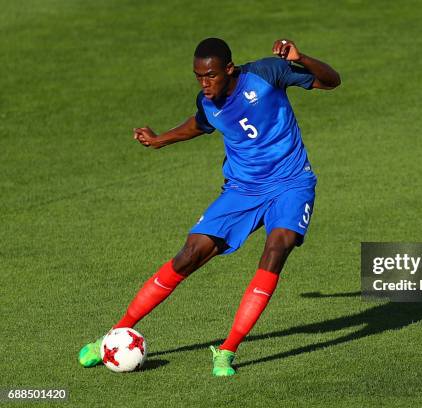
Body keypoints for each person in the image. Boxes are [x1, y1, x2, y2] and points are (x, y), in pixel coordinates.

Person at [78, 37, 340, 377]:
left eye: (211, 75)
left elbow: (332, 81)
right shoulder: (208, 101)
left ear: (229, 70)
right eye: (199, 77)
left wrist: (301, 57)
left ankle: (227, 351)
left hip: (291, 183)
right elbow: (199, 124)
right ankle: (113, 336)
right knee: (189, 254)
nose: (205, 83)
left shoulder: (267, 73)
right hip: (242, 190)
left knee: (277, 247)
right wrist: (159, 140)